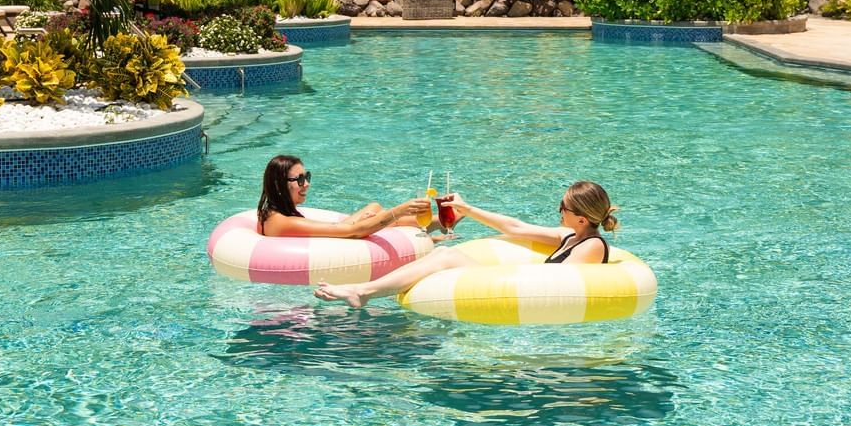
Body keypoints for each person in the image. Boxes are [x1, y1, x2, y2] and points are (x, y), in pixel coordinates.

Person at [313, 180, 619, 308]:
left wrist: (512, 276)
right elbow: (515, 227)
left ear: (582, 218)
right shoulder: (570, 236)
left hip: (527, 294)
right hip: (519, 284)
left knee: (446, 255)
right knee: (444, 253)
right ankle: (366, 289)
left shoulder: (592, 246)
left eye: (563, 207)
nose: (559, 211)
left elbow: (561, 285)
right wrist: (467, 209)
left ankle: (363, 291)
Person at [256, 153, 430, 238]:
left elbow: (338, 228)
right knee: (374, 215)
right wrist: (399, 210)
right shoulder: (283, 222)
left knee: (374, 207)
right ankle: (435, 224)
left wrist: (359, 221)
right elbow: (353, 232)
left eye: (307, 176)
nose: (307, 184)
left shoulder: (271, 213)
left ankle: (435, 223)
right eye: (300, 179)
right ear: (278, 185)